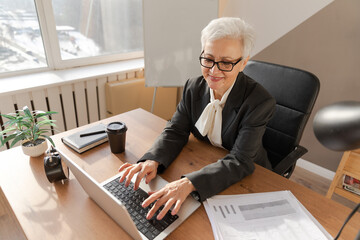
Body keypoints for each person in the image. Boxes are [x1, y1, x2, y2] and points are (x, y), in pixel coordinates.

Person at [119, 17, 276, 221]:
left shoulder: (260, 101)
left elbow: (240, 161)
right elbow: (176, 130)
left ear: (243, 63)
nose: (213, 71)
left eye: (226, 63)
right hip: (206, 159)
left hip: (248, 179)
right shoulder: (193, 87)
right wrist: (153, 159)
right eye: (208, 59)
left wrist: (188, 183)